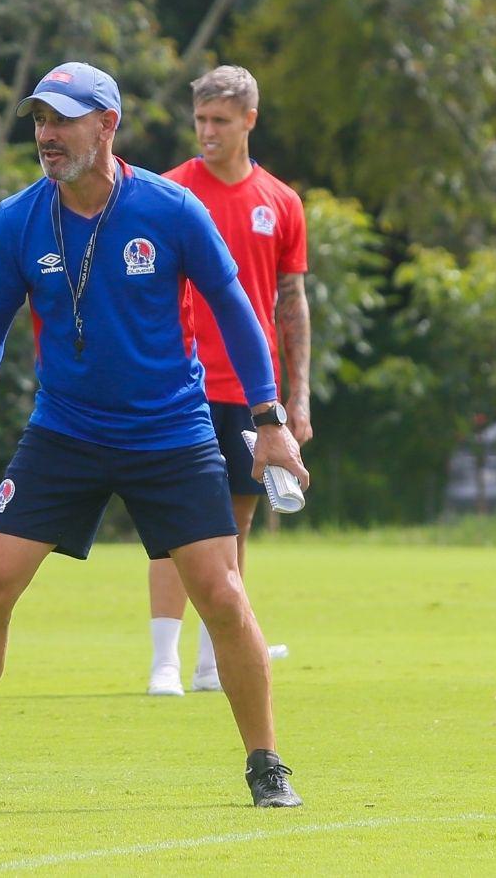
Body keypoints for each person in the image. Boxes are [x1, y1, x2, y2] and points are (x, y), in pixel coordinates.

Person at [0, 62, 310, 809]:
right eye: (38, 120)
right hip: (64, 431)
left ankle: (267, 765)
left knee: (222, 595)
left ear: (107, 125)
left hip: (170, 431)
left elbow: (236, 310)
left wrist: (269, 421)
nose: (46, 135)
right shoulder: (18, 219)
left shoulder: (171, 209)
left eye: (63, 119)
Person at [147, 65, 311, 696]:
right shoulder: (168, 194)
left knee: (232, 526)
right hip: (179, 383)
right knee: (172, 525)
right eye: (200, 121)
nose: (208, 132)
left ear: (250, 119)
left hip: (252, 392)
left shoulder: (281, 202)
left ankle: (213, 660)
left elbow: (290, 303)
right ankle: (164, 659)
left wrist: (298, 396)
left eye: (220, 120)